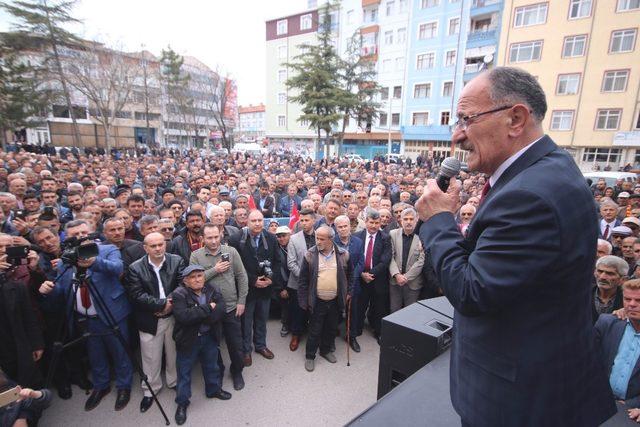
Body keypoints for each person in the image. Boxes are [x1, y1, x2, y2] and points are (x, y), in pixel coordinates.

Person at [415, 67, 615, 425]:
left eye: (466, 119)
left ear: (515, 119)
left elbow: (472, 291)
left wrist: (439, 221)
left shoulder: (528, 195)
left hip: (517, 401)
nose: (457, 135)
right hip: (542, 377)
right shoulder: (549, 170)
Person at [38, 220, 133, 412]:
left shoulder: (107, 250)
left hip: (111, 313)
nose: (80, 237)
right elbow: (63, 290)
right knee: (95, 354)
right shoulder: (66, 258)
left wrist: (93, 261)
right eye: (75, 234)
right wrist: (48, 290)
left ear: (91, 232)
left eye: (83, 232)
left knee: (120, 352)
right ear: (67, 238)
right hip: (85, 317)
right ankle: (101, 385)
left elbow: (118, 269)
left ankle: (124, 386)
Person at [125, 232, 185, 413]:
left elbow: (183, 284)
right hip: (150, 318)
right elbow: (136, 295)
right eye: (153, 246)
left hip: (173, 315)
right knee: (150, 356)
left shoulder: (177, 260)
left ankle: (174, 381)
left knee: (173, 351)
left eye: (161, 244)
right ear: (145, 248)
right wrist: (161, 304)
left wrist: (171, 303)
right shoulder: (135, 268)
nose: (158, 248)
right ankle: (150, 389)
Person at [190, 224, 248, 391]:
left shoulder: (231, 252)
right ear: (202, 238)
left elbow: (241, 277)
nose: (214, 241)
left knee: (236, 345)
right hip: (210, 309)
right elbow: (195, 281)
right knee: (213, 345)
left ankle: (237, 372)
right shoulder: (196, 256)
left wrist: (241, 301)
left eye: (216, 236)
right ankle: (218, 372)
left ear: (221, 234)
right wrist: (214, 270)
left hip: (231, 307)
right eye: (209, 238)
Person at [171, 264, 231, 426]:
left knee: (212, 366)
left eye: (200, 276)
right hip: (188, 340)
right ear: (185, 280)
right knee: (184, 373)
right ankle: (182, 403)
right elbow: (184, 317)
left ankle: (213, 390)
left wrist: (200, 314)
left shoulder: (212, 288)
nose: (197, 280)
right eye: (193, 277)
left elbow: (221, 310)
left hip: (209, 336)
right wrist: (207, 308)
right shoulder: (179, 294)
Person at [229, 210, 282, 366]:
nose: (258, 223)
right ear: (247, 222)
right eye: (254, 221)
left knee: (262, 319)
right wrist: (253, 280)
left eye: (260, 220)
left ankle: (260, 345)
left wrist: (270, 279)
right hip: (247, 289)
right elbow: (234, 267)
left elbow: (278, 262)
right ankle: (246, 350)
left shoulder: (271, 238)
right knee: (246, 321)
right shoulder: (236, 239)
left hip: (265, 288)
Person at [297, 226, 352, 372]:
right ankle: (310, 356)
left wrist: (349, 292)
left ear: (331, 239)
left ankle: (326, 351)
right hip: (317, 301)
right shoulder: (310, 255)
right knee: (314, 330)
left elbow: (351, 275)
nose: (318, 241)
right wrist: (303, 301)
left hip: (335, 300)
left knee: (331, 328)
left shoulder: (343, 254)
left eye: (322, 239)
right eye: (317, 238)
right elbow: (302, 281)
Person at [595, 279, 640, 409]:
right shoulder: (607, 323)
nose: (631, 304)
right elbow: (587, 362)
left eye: (639, 300)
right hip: (598, 401)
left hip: (632, 413)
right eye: (627, 299)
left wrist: (631, 405)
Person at [354, 209, 391, 344]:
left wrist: (371, 274)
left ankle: (378, 331)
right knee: (359, 305)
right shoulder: (357, 236)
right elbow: (354, 258)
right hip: (361, 277)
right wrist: (362, 274)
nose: (374, 226)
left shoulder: (386, 238)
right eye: (371, 222)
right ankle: (356, 329)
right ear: (366, 222)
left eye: (376, 223)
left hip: (378, 278)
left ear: (380, 223)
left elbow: (385, 260)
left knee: (378, 307)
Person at [286, 209, 316, 351]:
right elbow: (291, 263)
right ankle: (296, 335)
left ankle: (314, 334)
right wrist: (305, 278)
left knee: (314, 310)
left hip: (318, 282)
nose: (304, 223)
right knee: (298, 310)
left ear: (313, 221)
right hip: (298, 283)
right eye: (302, 220)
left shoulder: (321, 236)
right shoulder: (294, 238)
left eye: (307, 220)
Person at [333, 215, 364, 352]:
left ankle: (351, 337)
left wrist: (353, 277)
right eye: (340, 227)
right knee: (334, 311)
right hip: (336, 283)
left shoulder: (358, 241)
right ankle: (331, 336)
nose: (343, 229)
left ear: (349, 226)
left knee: (353, 311)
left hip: (354, 283)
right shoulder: (331, 242)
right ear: (336, 228)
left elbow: (361, 262)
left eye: (345, 226)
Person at [388, 207, 425, 313]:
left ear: (416, 219)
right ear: (400, 220)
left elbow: (421, 260)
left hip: (413, 282)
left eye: (411, 219)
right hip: (395, 281)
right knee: (394, 311)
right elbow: (390, 256)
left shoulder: (422, 236)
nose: (408, 222)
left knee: (410, 313)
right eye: (405, 219)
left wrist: (406, 277)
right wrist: (397, 275)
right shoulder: (393, 234)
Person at [593, 255, 627, 322]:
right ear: (594, 273)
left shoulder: (630, 299)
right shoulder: (581, 294)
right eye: (600, 271)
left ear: (622, 279)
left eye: (610, 273)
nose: (602, 277)